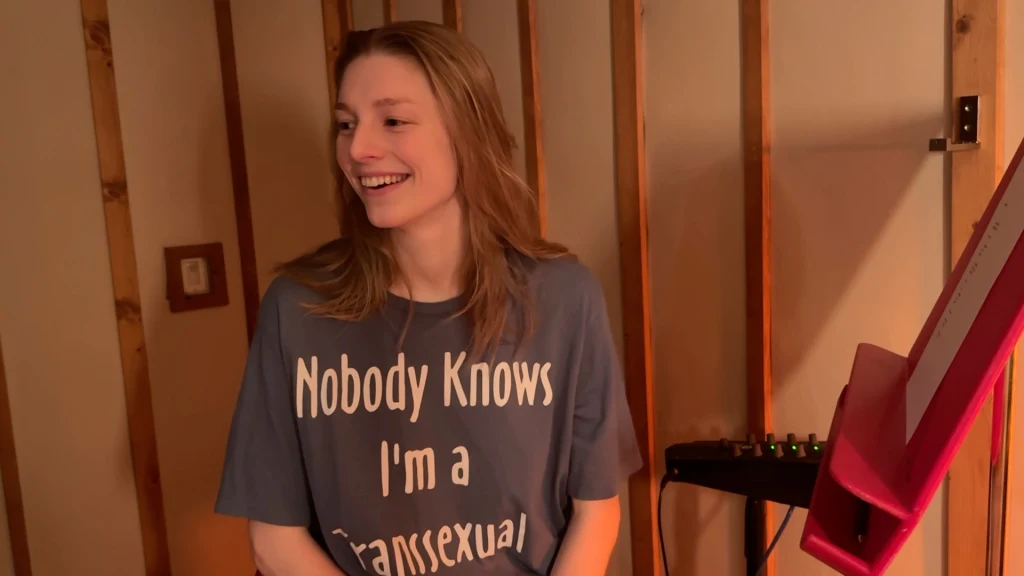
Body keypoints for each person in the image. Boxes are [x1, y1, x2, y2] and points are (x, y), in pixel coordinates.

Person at [215, 20, 642, 576]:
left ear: (468, 133)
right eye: (346, 124)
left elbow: (596, 511)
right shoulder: (297, 309)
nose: (358, 149)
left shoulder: (564, 299)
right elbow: (274, 541)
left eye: (393, 120)